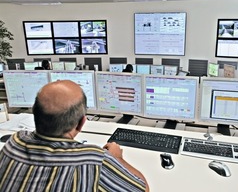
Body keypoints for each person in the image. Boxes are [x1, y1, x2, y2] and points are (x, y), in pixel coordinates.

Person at [0, 80, 149, 192]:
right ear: (81, 123)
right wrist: (116, 157)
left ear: (35, 115)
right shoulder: (93, 160)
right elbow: (143, 189)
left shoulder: (14, 142)